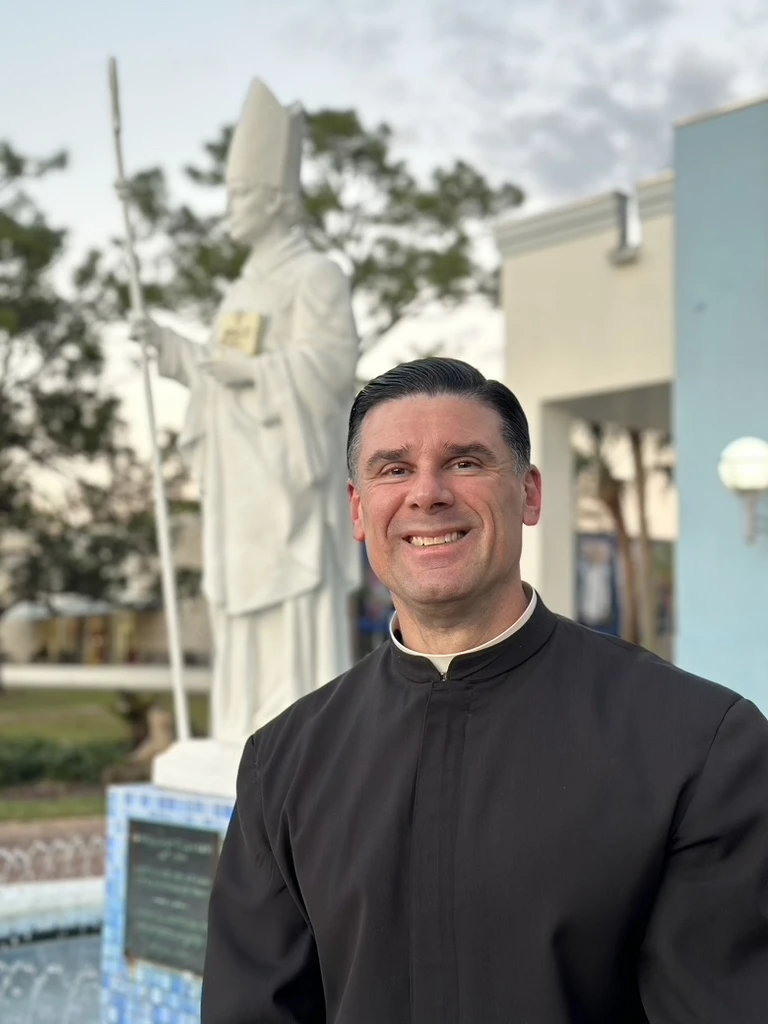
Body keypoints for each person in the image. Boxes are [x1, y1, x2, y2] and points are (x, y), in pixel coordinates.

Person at [201, 357, 768, 1023]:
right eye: (393, 469)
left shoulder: (700, 745)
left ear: (529, 494)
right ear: (359, 511)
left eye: (465, 462)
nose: (427, 493)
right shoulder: (284, 760)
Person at [129, 79, 360, 744]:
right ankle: (241, 730)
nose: (228, 209)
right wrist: (172, 350)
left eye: (238, 195)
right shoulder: (240, 291)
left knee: (291, 610)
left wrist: (253, 374)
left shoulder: (316, 275)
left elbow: (330, 367)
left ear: (274, 198)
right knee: (240, 617)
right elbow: (215, 370)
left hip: (288, 478)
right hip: (242, 487)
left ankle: (298, 738)